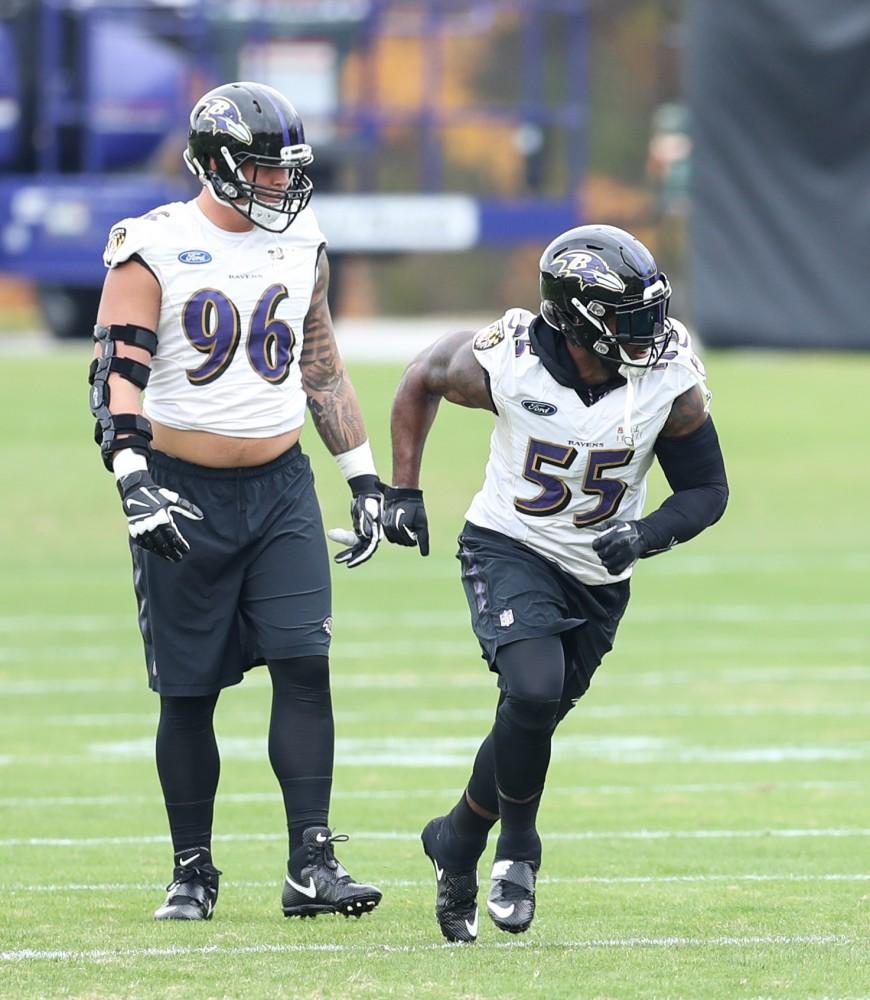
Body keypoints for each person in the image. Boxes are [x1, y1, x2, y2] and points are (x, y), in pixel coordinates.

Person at [89, 82, 386, 922]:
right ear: (217, 165)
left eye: (283, 169)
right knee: (189, 693)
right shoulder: (152, 245)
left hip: (282, 485)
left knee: (305, 665)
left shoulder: (302, 241)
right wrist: (133, 478)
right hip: (181, 489)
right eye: (260, 169)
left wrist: (362, 476)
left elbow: (320, 362)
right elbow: (117, 374)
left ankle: (311, 863)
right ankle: (192, 869)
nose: (277, 187)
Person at [381, 224, 729, 942]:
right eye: (631, 320)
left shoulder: (668, 376)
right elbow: (421, 377)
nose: (652, 334)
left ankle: (455, 839)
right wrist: (404, 491)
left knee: (527, 720)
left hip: (600, 573)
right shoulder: (507, 362)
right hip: (509, 545)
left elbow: (707, 491)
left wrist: (644, 535)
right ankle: (517, 851)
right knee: (533, 690)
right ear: (577, 320)